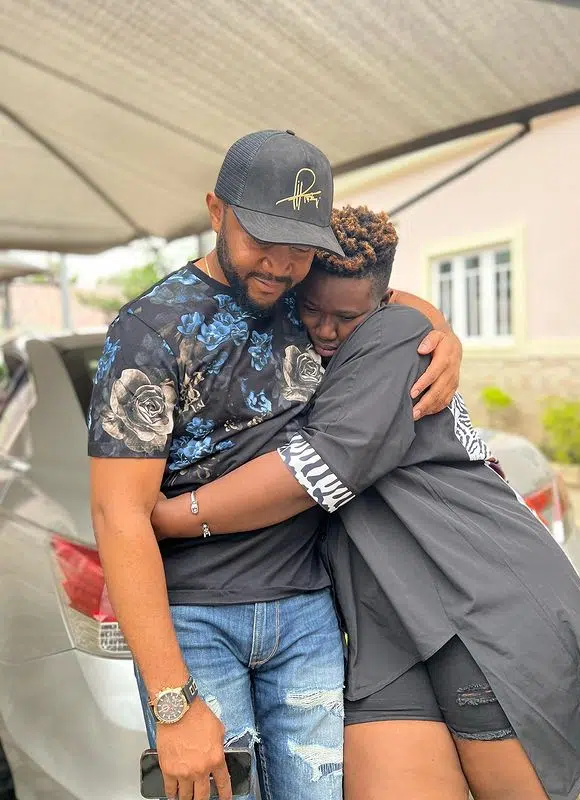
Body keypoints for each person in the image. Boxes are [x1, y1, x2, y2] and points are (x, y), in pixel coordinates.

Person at [152, 205, 580, 800]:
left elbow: (322, 465)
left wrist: (170, 517)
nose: (326, 330)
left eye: (347, 318)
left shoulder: (395, 335)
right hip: (383, 620)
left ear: (379, 306)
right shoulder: (311, 332)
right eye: (313, 310)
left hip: (470, 601)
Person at [88, 134, 463, 800]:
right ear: (216, 210)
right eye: (263, 238)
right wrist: (172, 702)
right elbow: (117, 516)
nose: (281, 264)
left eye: (301, 247)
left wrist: (445, 336)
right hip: (196, 621)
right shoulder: (150, 331)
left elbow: (392, 303)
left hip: (308, 612)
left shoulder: (308, 299)